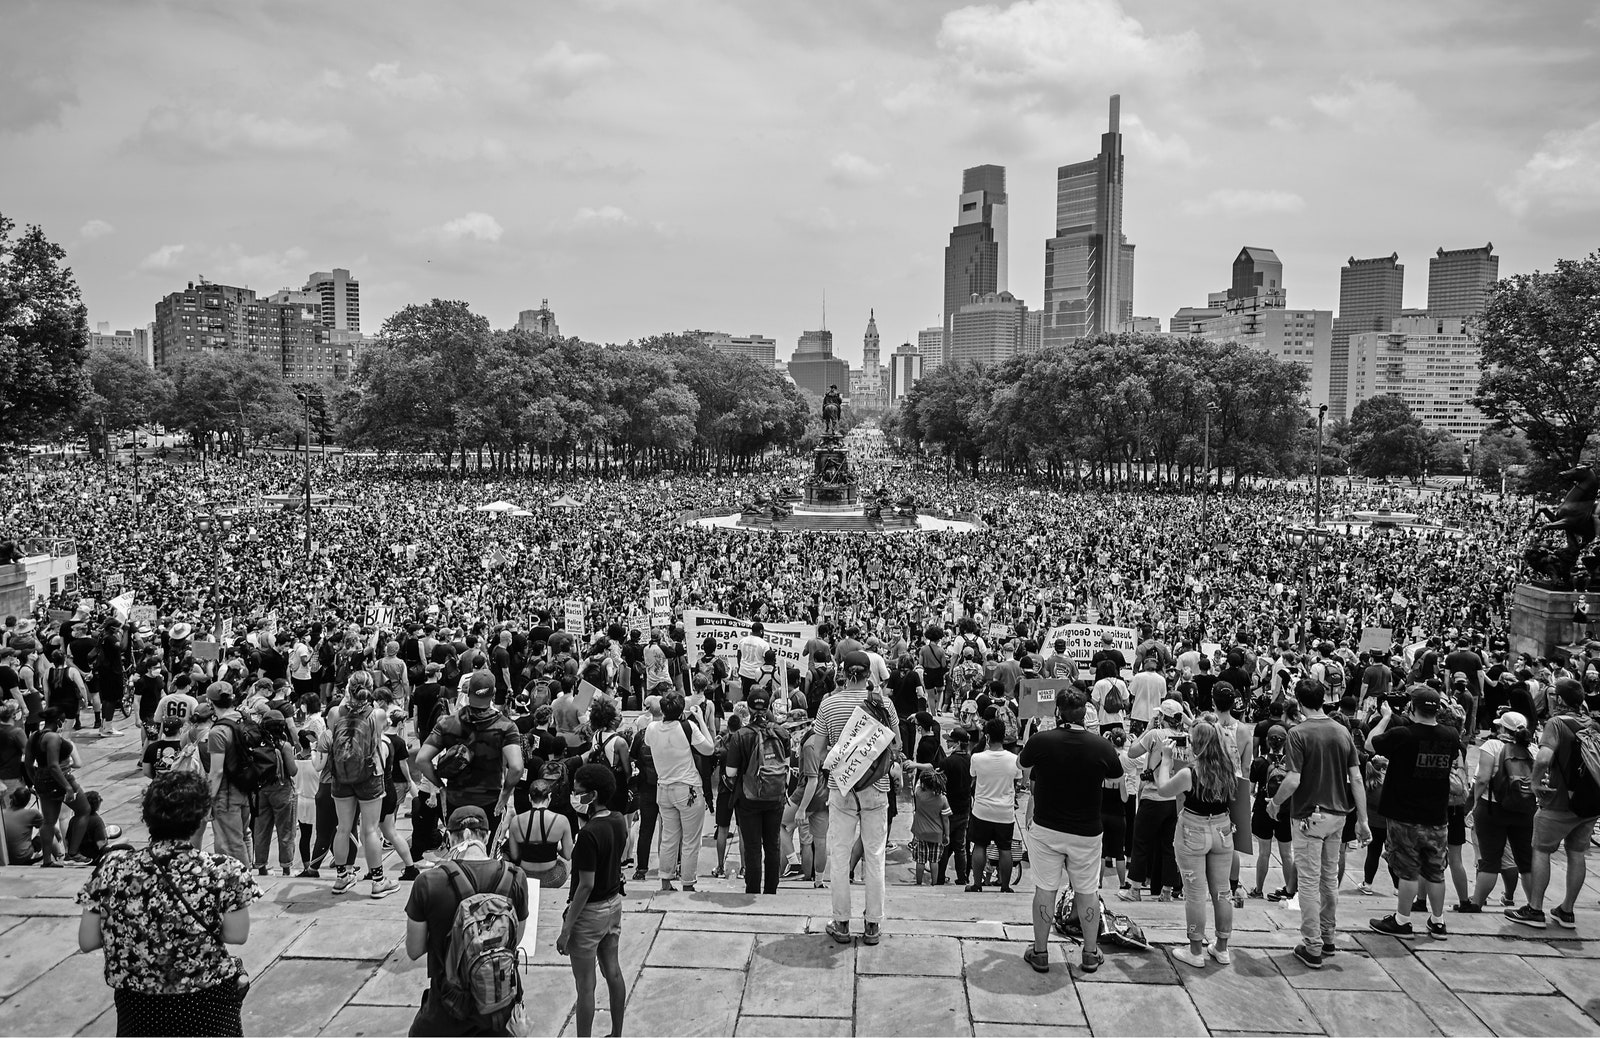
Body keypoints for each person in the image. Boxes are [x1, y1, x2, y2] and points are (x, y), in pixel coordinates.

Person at [77, 771, 260, 1037]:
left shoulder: (111, 869)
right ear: (202, 817)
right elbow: (237, 935)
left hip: (138, 1005)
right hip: (205, 1002)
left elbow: (87, 940)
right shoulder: (224, 871)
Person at [1267, 677, 1370, 970]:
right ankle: (1327, 936)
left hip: (1309, 816)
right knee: (1328, 879)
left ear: (1299, 704)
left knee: (1309, 884)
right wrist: (1362, 820)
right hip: (1339, 815)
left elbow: (1293, 778)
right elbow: (1357, 778)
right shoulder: (1342, 731)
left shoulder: (1297, 734)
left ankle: (1312, 945)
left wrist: (1274, 804)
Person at [1017, 688, 1121, 974]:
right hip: (1086, 831)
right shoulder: (1101, 746)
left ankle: (1040, 952)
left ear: (1057, 712)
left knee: (1045, 890)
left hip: (1047, 827)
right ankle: (1089, 953)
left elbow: (1021, 764)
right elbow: (1116, 776)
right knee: (1087, 891)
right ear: (1085, 713)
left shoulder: (1042, 741)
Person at [404, 805, 531, 1037]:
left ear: (452, 837)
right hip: (498, 1004)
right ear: (487, 836)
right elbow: (516, 937)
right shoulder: (515, 876)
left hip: (448, 1006)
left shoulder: (428, 882)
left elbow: (413, 949)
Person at [820, 650, 900, 946]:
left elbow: (819, 751)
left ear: (843, 672)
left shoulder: (829, 704)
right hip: (876, 788)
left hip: (840, 789)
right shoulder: (884, 704)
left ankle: (841, 923)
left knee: (840, 856)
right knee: (875, 855)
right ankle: (872, 926)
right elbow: (898, 744)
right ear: (871, 674)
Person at [1508, 677, 1600, 929]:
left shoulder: (1556, 723)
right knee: (1576, 853)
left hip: (1559, 801)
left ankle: (1535, 909)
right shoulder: (1592, 723)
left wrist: (1536, 783)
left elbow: (1543, 758)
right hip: (1589, 802)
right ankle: (1567, 911)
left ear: (1559, 699)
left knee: (1541, 850)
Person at [1156, 719, 1238, 968]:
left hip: (1194, 830)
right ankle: (1222, 947)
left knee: (1194, 892)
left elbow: (1163, 791)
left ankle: (1195, 950)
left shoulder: (1190, 773)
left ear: (1198, 745)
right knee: (1223, 890)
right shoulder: (1228, 769)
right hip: (1223, 830)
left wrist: (1167, 759)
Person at [559, 763, 629, 1038]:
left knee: (585, 986)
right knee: (613, 972)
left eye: (579, 792)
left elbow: (585, 885)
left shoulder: (588, 834)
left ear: (594, 795)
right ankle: (616, 1033)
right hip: (613, 904)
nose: (574, 796)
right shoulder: (618, 820)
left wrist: (567, 930)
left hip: (589, 913)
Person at [417, 670, 524, 840]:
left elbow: (422, 759)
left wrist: (441, 787)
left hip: (455, 801)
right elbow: (517, 768)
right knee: (486, 853)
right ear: (494, 693)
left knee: (458, 851)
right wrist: (505, 793)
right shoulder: (506, 726)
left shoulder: (447, 722)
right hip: (490, 802)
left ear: (468, 691)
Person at [317, 676, 396, 897]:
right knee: (370, 829)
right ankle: (378, 881)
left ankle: (342, 878)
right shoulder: (377, 715)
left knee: (343, 827)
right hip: (369, 775)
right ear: (369, 691)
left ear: (347, 691)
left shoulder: (335, 714)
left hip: (340, 776)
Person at [643, 688, 713, 892]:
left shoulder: (652, 728)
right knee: (691, 840)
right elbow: (709, 748)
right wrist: (701, 720)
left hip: (664, 788)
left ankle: (665, 879)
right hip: (688, 788)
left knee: (669, 836)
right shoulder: (688, 727)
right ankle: (688, 882)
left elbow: (648, 744)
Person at [1468, 710, 1536, 910]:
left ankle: (1476, 903)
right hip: (1524, 809)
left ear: (1502, 728)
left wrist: (1472, 803)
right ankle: (1534, 906)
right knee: (1526, 861)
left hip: (1493, 807)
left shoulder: (1493, 745)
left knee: (1490, 861)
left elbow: (1482, 778)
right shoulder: (1534, 749)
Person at [723, 692, 790, 895]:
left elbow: (730, 772)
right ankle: (771, 890)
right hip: (775, 796)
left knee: (752, 846)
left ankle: (753, 889)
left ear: (749, 709)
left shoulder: (741, 736)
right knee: (773, 844)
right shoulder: (781, 733)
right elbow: (787, 766)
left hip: (749, 797)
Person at [28, 707, 92, 866]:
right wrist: (68, 787)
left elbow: (28, 764)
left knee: (49, 821)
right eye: (62, 722)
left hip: (42, 780)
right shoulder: (53, 738)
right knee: (84, 810)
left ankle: (47, 860)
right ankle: (73, 853)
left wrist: (34, 781)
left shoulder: (34, 737)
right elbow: (54, 766)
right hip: (61, 778)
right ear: (58, 721)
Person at [967, 717, 1020, 893]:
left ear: (987, 736)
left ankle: (977, 884)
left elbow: (973, 778)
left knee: (980, 846)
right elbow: (1018, 781)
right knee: (1005, 848)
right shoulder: (1014, 759)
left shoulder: (977, 758)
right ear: (1004, 736)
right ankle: (1005, 886)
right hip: (1005, 812)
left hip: (981, 810)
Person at [249, 709, 299, 877]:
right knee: (286, 830)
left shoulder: (257, 744)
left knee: (261, 829)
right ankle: (286, 868)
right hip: (282, 789)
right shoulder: (284, 745)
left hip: (261, 790)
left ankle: (261, 866)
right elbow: (292, 771)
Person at [504, 777, 573, 888]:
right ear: (549, 796)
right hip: (553, 878)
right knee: (569, 862)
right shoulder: (561, 820)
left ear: (529, 797)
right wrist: (557, 847)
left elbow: (515, 856)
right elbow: (568, 855)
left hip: (525, 877)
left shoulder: (516, 821)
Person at [910, 769, 950, 886]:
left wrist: (921, 777)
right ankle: (934, 883)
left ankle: (918, 882)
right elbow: (946, 819)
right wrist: (946, 835)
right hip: (936, 834)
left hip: (920, 833)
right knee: (934, 861)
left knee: (920, 861)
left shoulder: (919, 795)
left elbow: (917, 784)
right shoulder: (942, 799)